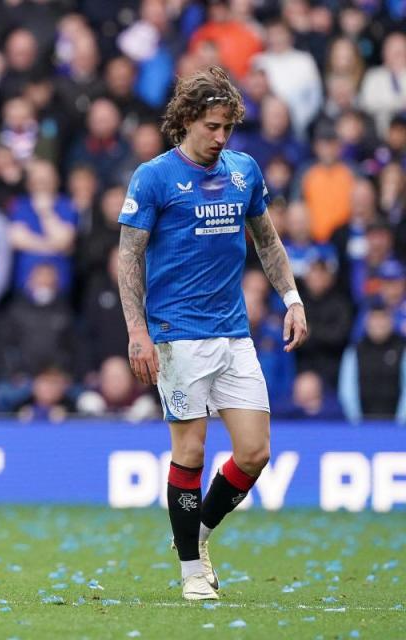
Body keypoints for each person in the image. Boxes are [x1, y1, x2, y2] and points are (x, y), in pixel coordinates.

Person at [117, 66, 308, 601]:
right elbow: (129, 257)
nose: (221, 138)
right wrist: (138, 330)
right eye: (212, 126)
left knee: (254, 452)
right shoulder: (153, 177)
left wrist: (291, 299)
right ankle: (190, 573)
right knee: (192, 451)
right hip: (177, 335)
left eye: (228, 128)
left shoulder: (244, 171)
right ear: (185, 121)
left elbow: (267, 243)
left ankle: (195, 535)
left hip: (233, 332)